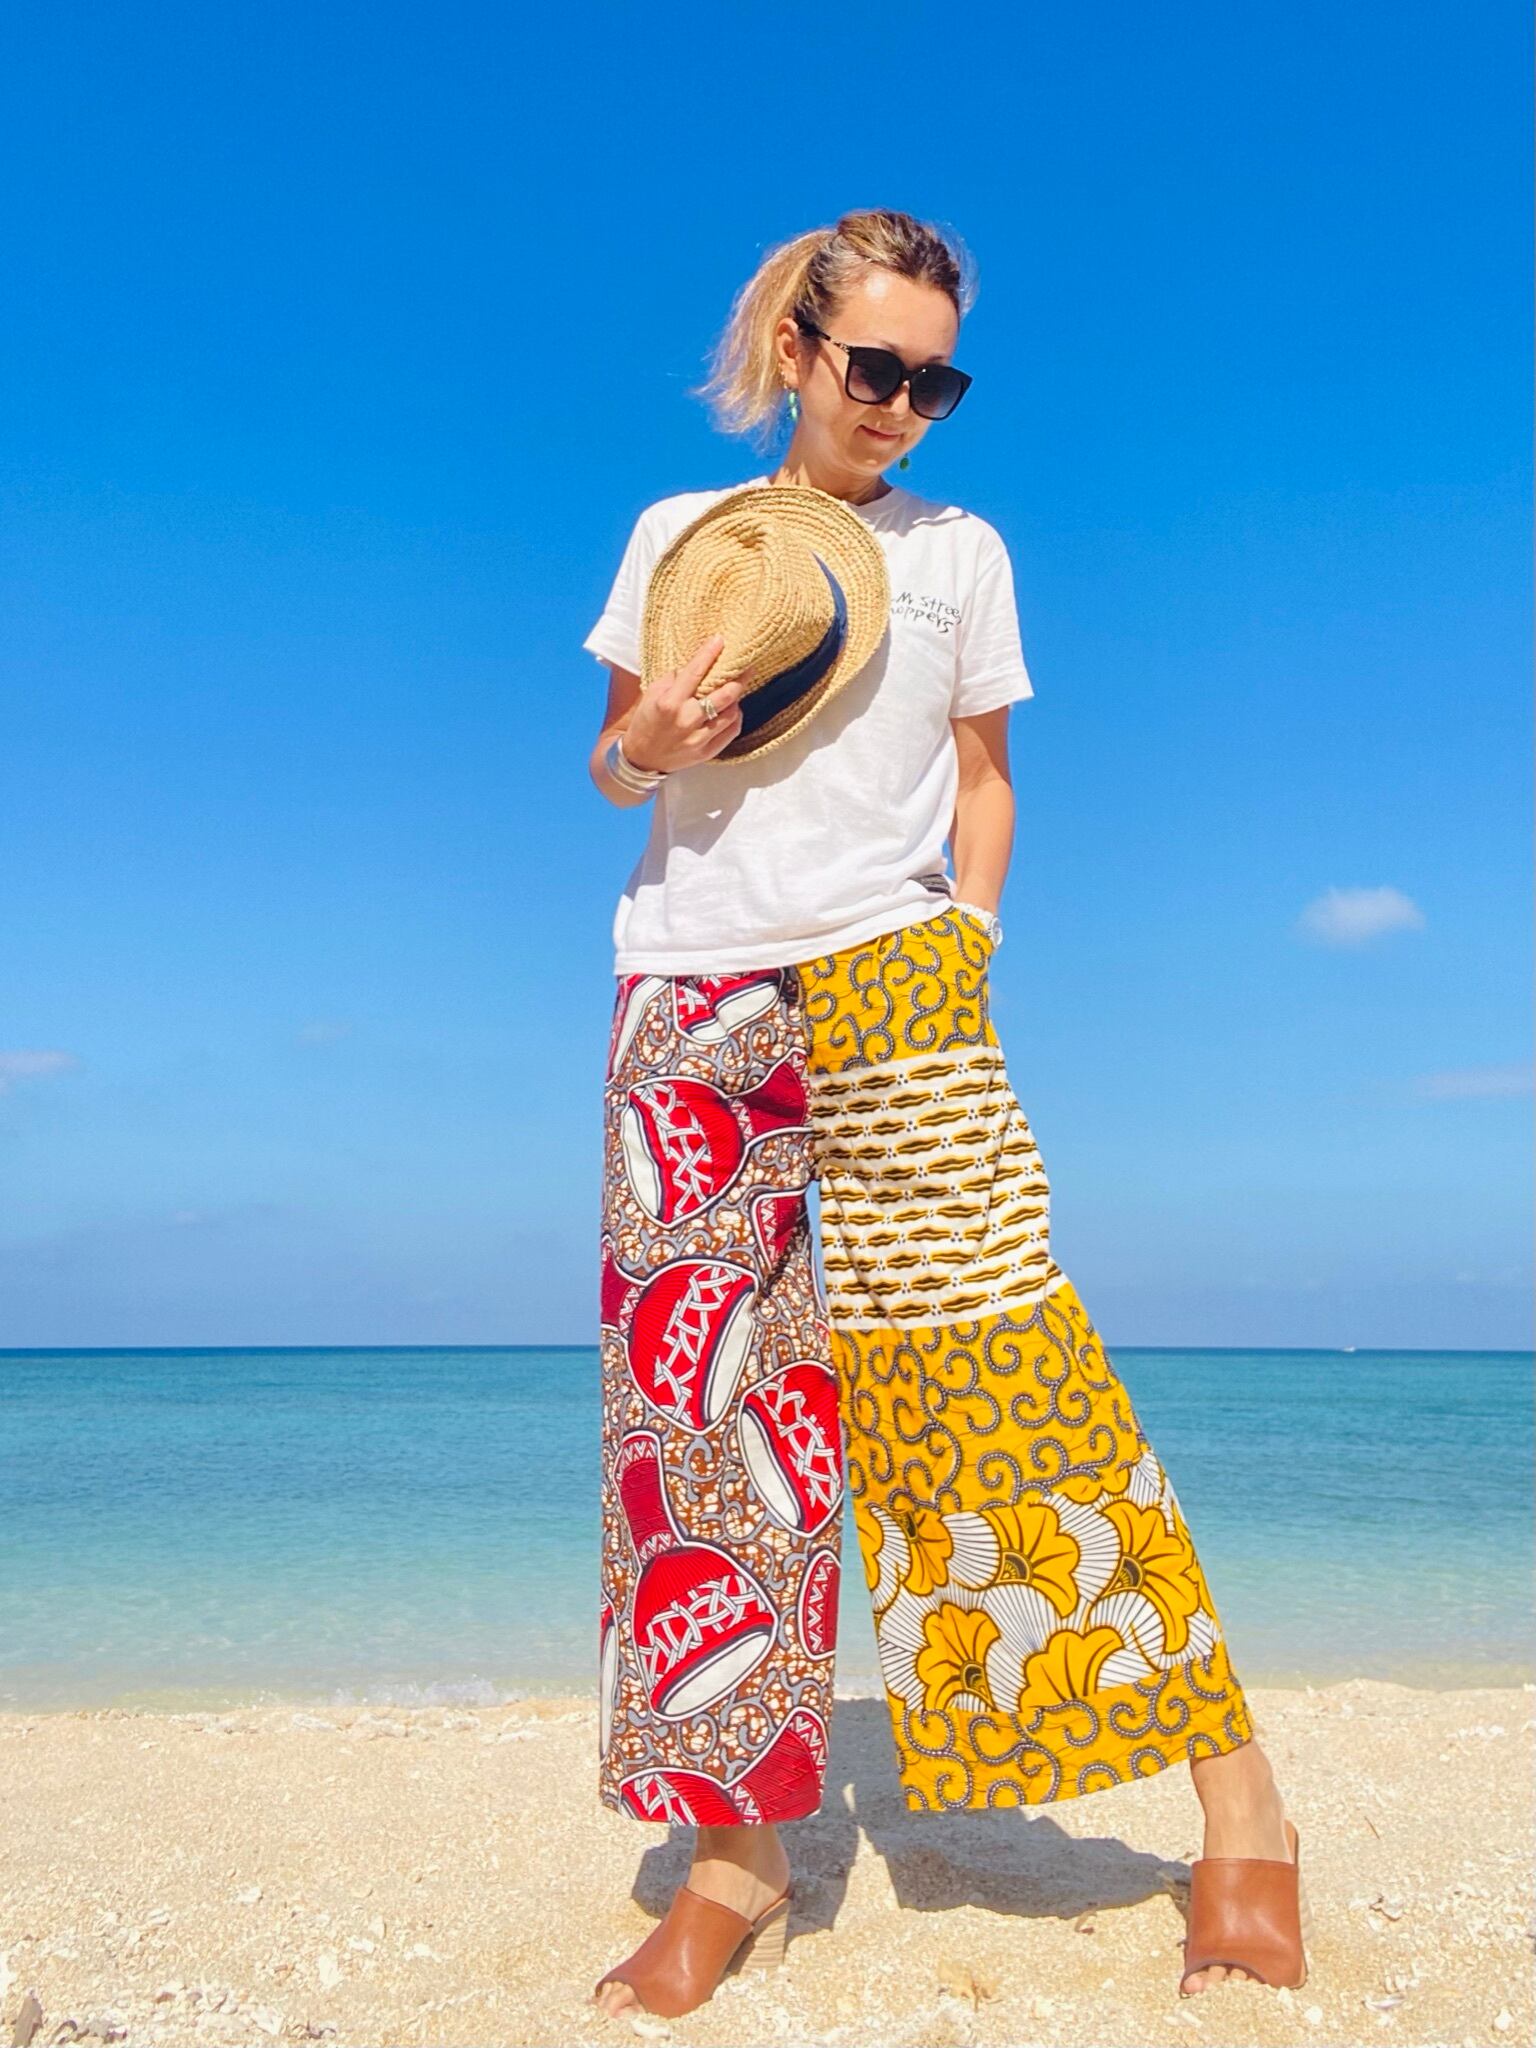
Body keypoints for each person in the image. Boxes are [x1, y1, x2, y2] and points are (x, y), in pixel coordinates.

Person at [583, 208, 1308, 2023]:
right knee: (701, 1430)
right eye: (875, 367)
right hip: (689, 994)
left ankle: (1243, 1808)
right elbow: (612, 764)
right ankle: (738, 1861)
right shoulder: (683, 537)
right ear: (799, 352)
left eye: (936, 380)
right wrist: (652, 744)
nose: (902, 404)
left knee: (1005, 1379)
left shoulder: (961, 553)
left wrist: (963, 946)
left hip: (902, 985)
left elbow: (987, 782)